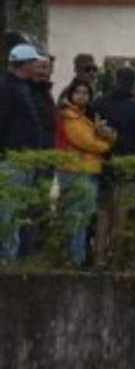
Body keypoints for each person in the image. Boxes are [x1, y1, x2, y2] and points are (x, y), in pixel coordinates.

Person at [54, 79, 116, 266]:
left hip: (87, 169)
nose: (82, 96)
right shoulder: (69, 116)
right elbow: (85, 141)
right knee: (76, 217)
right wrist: (106, 145)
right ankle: (74, 258)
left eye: (86, 93)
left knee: (82, 217)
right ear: (70, 94)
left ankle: (76, 257)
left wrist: (108, 135)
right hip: (74, 170)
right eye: (78, 92)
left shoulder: (85, 116)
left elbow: (106, 135)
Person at [1, 44, 54, 261]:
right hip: (14, 159)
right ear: (25, 64)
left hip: (26, 159)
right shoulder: (8, 88)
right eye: (34, 62)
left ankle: (15, 257)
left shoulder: (22, 87)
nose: (37, 66)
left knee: (19, 211)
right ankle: (6, 258)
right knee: (9, 210)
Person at [93, 66, 135, 157]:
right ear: (134, 84)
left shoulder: (98, 103)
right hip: (133, 159)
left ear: (115, 81)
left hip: (102, 156)